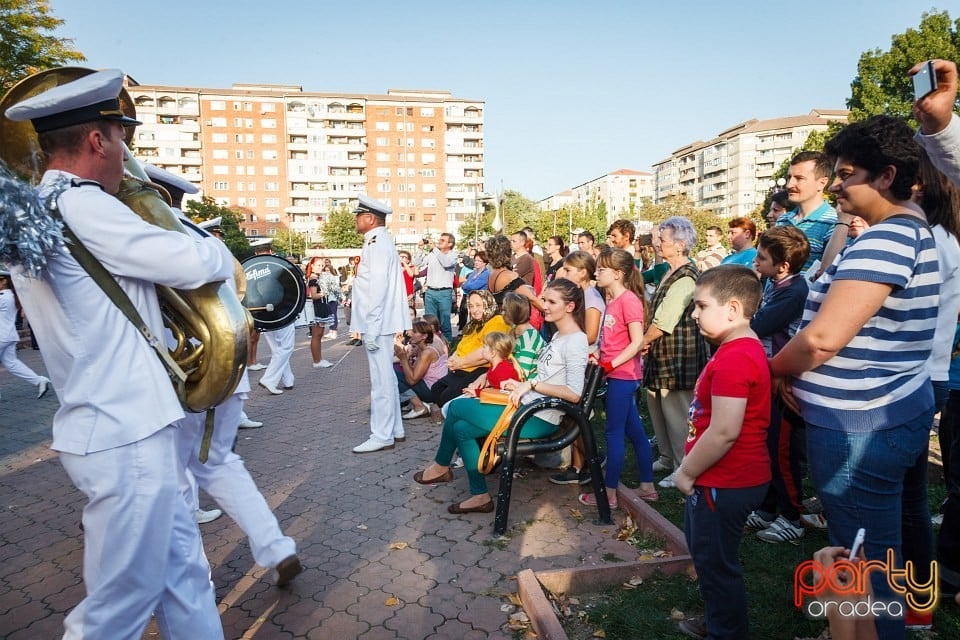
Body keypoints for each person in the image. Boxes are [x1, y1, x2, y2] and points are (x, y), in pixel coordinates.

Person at [4, 68, 228, 638]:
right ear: (99, 140)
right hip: (126, 430)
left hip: (124, 424)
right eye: (121, 138)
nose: (126, 155)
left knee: (185, 577)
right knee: (115, 611)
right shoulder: (84, 205)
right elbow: (195, 263)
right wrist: (217, 250)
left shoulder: (43, 208)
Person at [770, 115, 938, 640]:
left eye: (846, 174)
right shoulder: (911, 231)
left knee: (863, 565)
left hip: (859, 428)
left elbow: (822, 338)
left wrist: (771, 371)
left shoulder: (883, 241)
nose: (837, 183)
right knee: (878, 553)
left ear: (885, 176)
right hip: (882, 413)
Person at [413, 278, 588, 514]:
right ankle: (480, 496)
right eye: (544, 300)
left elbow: (574, 394)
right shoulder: (559, 337)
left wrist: (530, 384)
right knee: (462, 428)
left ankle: (440, 466)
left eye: (550, 301)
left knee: (455, 409)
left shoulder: (575, 341)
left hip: (539, 417)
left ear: (570, 307)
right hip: (528, 407)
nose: (543, 305)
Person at [674, 264, 771, 640]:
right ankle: (718, 620)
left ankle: (725, 632)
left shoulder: (734, 356)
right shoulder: (738, 348)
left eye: (700, 306)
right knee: (709, 557)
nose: (694, 314)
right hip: (722, 479)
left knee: (716, 564)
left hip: (724, 481)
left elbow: (726, 430)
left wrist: (686, 472)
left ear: (731, 309)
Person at [911, 56, 960, 605]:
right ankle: (914, 607)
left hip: (917, 382)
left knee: (876, 513)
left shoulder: (928, 242)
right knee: (904, 506)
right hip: (930, 380)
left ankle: (885, 614)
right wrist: (940, 126)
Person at [743, 226, 811, 545]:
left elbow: (759, 325)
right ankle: (769, 508)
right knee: (768, 447)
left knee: (782, 451)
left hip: (787, 384)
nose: (756, 262)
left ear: (783, 265)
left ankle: (792, 516)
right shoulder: (775, 283)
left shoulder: (794, 291)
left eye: (762, 257)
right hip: (771, 378)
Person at [579, 248, 656, 509]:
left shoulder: (629, 301)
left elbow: (636, 343)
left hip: (623, 376)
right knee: (635, 431)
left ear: (618, 273)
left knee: (613, 433)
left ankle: (609, 493)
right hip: (614, 374)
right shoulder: (612, 301)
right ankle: (647, 486)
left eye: (601, 269)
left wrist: (610, 363)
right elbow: (613, 341)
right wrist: (599, 356)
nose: (596, 273)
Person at [643, 217, 708, 488]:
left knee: (677, 413)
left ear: (681, 245)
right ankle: (667, 457)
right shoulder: (669, 270)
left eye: (663, 240)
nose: (658, 243)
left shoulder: (686, 276)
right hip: (663, 353)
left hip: (679, 355)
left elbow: (664, 321)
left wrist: (641, 343)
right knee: (657, 406)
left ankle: (684, 465)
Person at [350, 195, 410, 453]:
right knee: (387, 378)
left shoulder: (376, 244)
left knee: (381, 381)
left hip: (379, 323)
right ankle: (394, 428)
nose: (355, 220)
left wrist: (371, 327)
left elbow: (377, 289)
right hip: (383, 321)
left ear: (369, 218)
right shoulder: (380, 242)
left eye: (358, 216)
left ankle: (382, 434)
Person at [549, 250, 606, 486]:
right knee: (571, 417)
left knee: (576, 416)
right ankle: (578, 465)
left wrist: (567, 336)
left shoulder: (591, 298)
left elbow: (590, 335)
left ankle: (593, 459)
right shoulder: (583, 295)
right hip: (578, 357)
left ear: (583, 272)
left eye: (569, 270)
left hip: (585, 359)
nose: (564, 273)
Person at [428, 289, 510, 410]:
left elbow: (487, 351)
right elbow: (462, 345)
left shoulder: (497, 321)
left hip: (480, 369)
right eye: (471, 306)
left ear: (488, 304)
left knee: (446, 397)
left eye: (478, 305)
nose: (474, 310)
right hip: (461, 368)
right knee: (435, 390)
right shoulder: (474, 323)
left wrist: (460, 363)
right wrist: (453, 359)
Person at [778, 151, 840, 272]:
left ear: (822, 183)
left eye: (799, 178)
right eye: (789, 177)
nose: (790, 185)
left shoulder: (833, 223)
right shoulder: (782, 220)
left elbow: (830, 273)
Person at [254, 238, 297, 395]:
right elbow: (291, 289)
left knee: (277, 349)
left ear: (256, 253)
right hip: (282, 313)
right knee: (285, 348)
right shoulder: (279, 267)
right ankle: (269, 379)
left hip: (263, 315)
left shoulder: (250, 269)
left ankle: (288, 380)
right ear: (271, 251)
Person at [0, 271, 50, 399]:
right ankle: (38, 381)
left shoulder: (3, 297)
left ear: (4, 281)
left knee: (11, 363)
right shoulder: (12, 295)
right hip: (9, 335)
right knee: (11, 363)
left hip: (2, 336)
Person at [395, 319, 448, 419]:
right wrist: (407, 359)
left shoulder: (427, 352)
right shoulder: (421, 348)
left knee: (394, 374)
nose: (410, 334)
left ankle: (419, 406)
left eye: (414, 332)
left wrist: (403, 359)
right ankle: (412, 402)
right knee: (396, 374)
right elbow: (412, 372)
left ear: (424, 336)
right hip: (429, 387)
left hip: (432, 391)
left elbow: (412, 380)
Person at [420, 232, 458, 343]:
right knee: (429, 323)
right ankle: (431, 348)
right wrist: (420, 249)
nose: (439, 242)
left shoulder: (453, 255)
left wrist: (434, 249)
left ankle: (447, 349)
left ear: (450, 244)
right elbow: (419, 263)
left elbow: (446, 263)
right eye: (439, 240)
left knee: (445, 323)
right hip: (430, 292)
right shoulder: (433, 254)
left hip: (444, 293)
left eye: (442, 240)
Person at [457, 250, 490, 331]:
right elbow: (464, 286)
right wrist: (467, 285)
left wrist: (467, 285)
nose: (476, 262)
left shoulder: (486, 273)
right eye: (475, 260)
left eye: (479, 261)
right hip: (471, 299)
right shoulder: (473, 273)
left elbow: (473, 286)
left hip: (481, 301)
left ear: (485, 262)